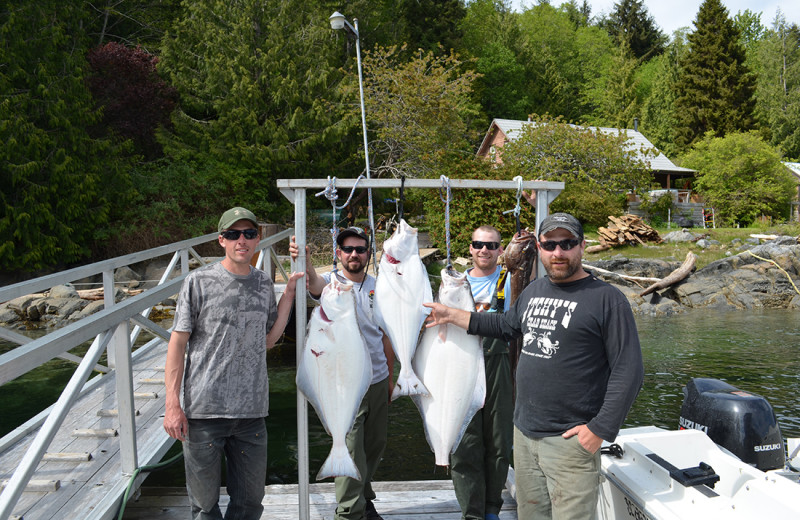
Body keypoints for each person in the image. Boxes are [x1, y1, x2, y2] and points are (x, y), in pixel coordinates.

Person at [424, 212, 644, 520]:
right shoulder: (533, 291)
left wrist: (600, 429)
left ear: (581, 247)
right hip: (525, 438)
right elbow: (503, 326)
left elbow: (629, 369)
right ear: (539, 248)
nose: (558, 252)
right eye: (549, 244)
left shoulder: (607, 299)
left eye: (567, 243)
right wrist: (451, 315)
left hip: (571, 443)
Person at [164, 206, 303, 520]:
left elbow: (267, 340)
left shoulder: (264, 284)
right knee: (204, 508)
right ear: (221, 240)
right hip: (203, 414)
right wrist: (172, 404)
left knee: (250, 505)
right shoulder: (197, 282)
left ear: (258, 240)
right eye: (233, 234)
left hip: (251, 415)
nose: (242, 240)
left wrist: (289, 296)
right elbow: (177, 344)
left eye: (249, 234)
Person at [289, 227, 394, 520]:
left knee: (375, 444)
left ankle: (363, 498)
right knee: (351, 446)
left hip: (376, 379)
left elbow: (386, 335)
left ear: (367, 254)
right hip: (342, 384)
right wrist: (305, 259)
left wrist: (391, 377)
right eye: (347, 249)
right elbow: (312, 282)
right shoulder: (331, 285)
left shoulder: (379, 287)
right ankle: (348, 512)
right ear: (338, 254)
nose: (354, 254)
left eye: (360, 249)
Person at [450, 225, 513, 520]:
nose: (484, 249)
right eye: (478, 244)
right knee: (465, 442)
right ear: (471, 248)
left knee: (499, 441)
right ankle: (472, 513)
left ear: (501, 249)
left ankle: (492, 509)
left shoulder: (512, 279)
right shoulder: (454, 283)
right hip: (461, 365)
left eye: (491, 245)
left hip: (498, 363)